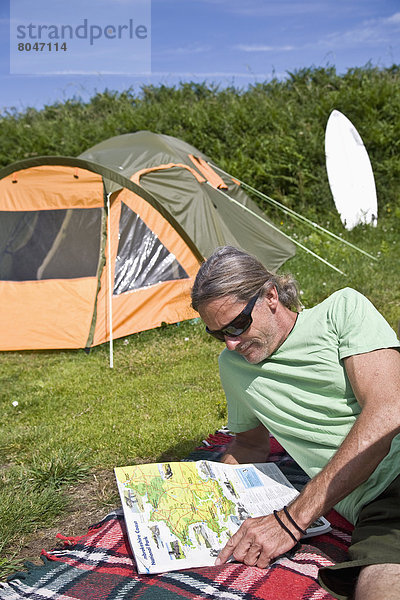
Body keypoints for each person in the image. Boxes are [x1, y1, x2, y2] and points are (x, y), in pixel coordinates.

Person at [191, 245, 400, 600]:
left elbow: (389, 410)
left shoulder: (341, 311)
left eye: (238, 324)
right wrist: (208, 495)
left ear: (270, 295)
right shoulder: (234, 366)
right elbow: (250, 444)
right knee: (376, 585)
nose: (230, 343)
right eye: (217, 333)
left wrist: (292, 519)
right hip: (379, 505)